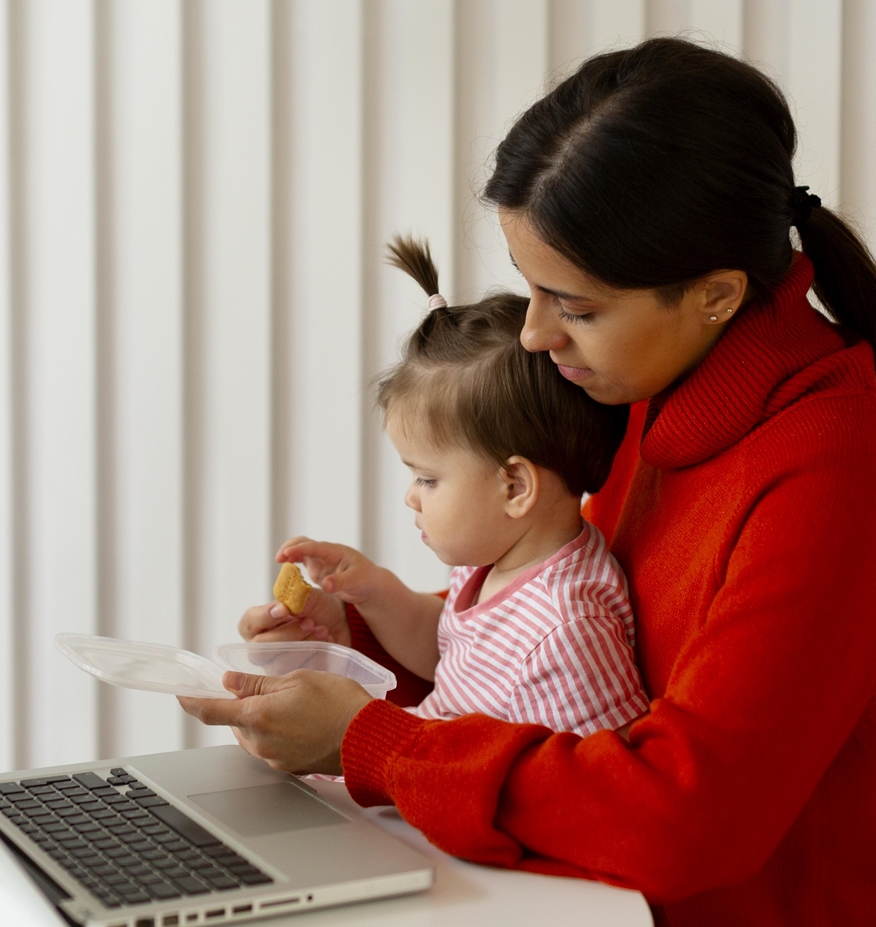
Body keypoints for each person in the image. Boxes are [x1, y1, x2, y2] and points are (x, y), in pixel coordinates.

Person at [183, 38, 876, 927]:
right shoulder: (649, 397)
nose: (539, 334)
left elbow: (680, 816)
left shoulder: (831, 467)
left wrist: (368, 738)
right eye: (533, 287)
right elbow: (568, 672)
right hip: (602, 918)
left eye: (575, 306)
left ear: (716, 293)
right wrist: (362, 652)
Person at [260, 234, 648, 737]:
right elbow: (443, 648)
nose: (411, 496)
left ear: (514, 487)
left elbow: (601, 781)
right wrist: (374, 591)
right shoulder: (498, 562)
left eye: (427, 477)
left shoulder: (566, 630)